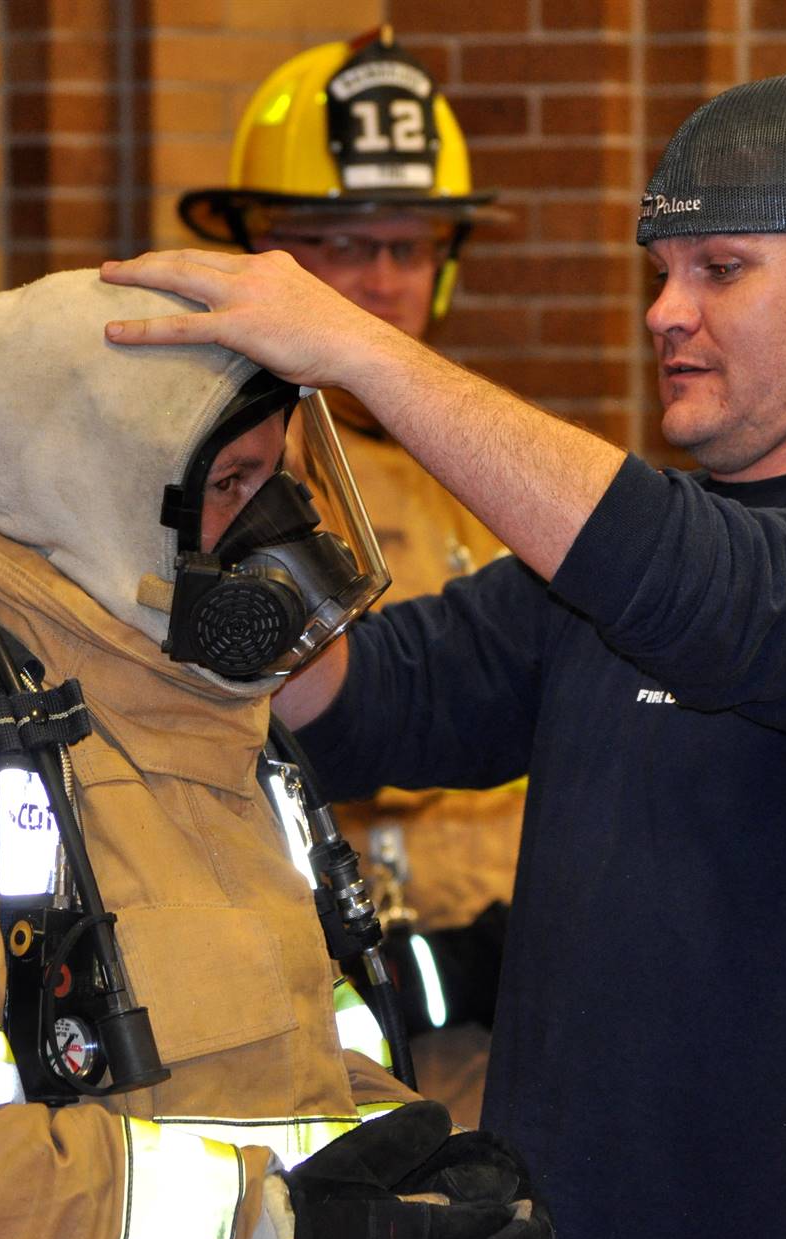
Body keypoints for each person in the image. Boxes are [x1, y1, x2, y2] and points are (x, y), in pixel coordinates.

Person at [105, 68, 786, 1239]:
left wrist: (362, 348)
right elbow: (364, 702)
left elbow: (705, 590)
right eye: (662, 273)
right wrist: (208, 528)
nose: (664, 311)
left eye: (720, 270)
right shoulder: (599, 586)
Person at [0, 269, 553, 1239]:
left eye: (277, 480)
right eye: (230, 488)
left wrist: (412, 1186)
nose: (281, 533)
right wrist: (264, 1236)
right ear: (103, 502)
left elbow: (293, 1075)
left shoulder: (228, 736)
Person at [179, 27, 520, 1126]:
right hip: (318, 1056)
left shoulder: (489, 473)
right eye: (336, 244)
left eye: (405, 247)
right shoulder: (211, 472)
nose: (376, 281)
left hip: (504, 1058)